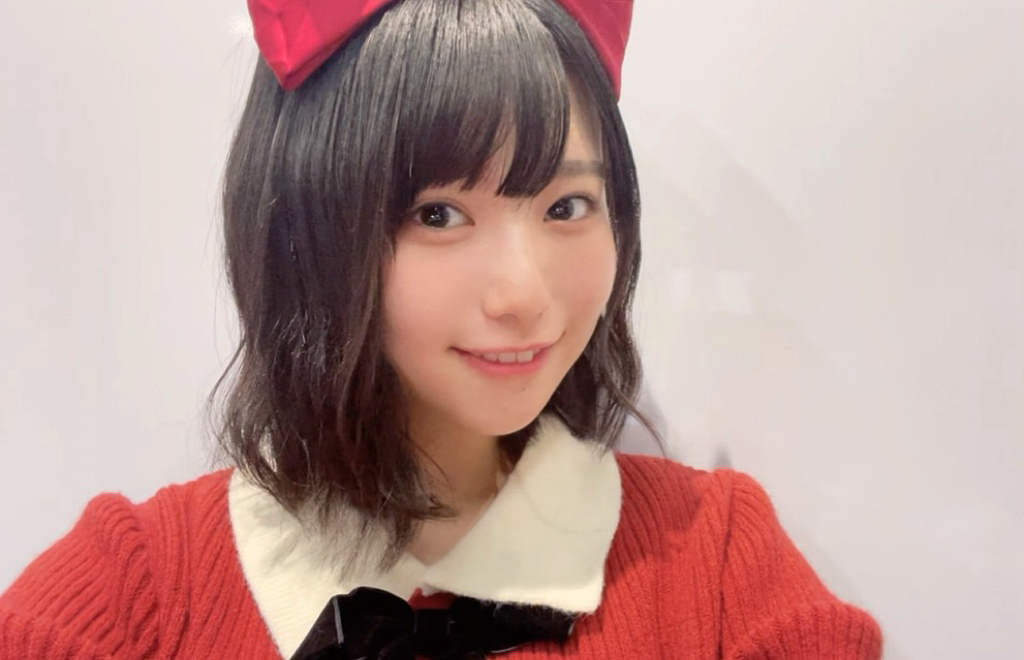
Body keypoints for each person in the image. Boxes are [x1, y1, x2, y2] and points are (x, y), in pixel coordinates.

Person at [0, 0, 883, 658]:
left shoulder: (719, 564)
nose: (523, 293)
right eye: (438, 215)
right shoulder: (133, 592)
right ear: (306, 231)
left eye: (567, 205)